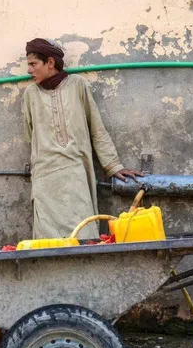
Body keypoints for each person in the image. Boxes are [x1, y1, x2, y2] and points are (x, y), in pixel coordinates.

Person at [22, 38, 142, 240]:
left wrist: (113, 165)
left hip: (76, 172)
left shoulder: (78, 85)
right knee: (47, 240)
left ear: (50, 63)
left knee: (83, 232)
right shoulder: (30, 94)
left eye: (33, 64)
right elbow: (29, 134)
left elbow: (96, 128)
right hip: (45, 177)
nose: (29, 70)